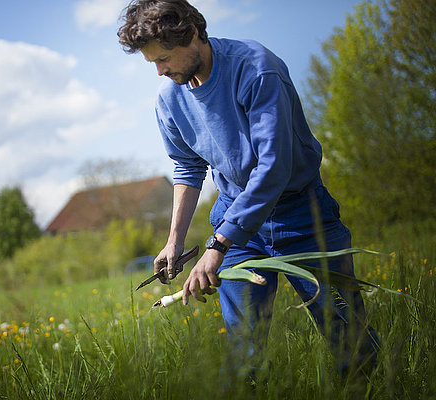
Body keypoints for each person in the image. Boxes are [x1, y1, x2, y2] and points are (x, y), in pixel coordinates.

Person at [117, 0, 379, 384]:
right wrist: (174, 242)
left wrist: (218, 244)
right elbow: (188, 168)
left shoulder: (256, 69)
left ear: (192, 34)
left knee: (348, 336)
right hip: (236, 222)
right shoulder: (169, 98)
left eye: (165, 58)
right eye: (153, 63)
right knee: (244, 353)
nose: (160, 70)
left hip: (301, 214)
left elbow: (274, 167)